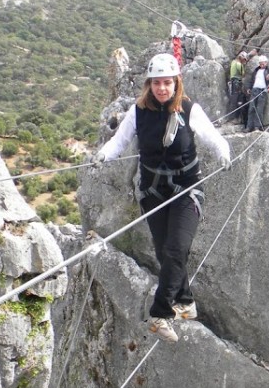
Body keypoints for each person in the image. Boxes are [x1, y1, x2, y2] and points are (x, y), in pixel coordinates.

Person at [92, 53, 231, 343]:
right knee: (163, 252)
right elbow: (120, 141)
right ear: (149, 85)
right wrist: (103, 155)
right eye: (157, 83)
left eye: (167, 83)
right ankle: (185, 302)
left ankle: (161, 313)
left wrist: (223, 152)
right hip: (153, 192)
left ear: (176, 83)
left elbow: (211, 136)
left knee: (176, 249)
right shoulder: (138, 111)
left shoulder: (189, 109)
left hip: (186, 190)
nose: (162, 88)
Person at [245, 55, 269, 132]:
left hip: (262, 91)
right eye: (260, 63)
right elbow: (251, 80)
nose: (261, 65)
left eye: (263, 63)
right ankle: (249, 127)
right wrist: (249, 88)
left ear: (266, 63)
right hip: (254, 90)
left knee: (259, 109)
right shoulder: (256, 70)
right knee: (251, 108)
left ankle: (257, 127)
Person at [227, 51, 246, 118]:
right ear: (241, 58)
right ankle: (236, 116)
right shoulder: (238, 64)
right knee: (238, 99)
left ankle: (232, 116)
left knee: (233, 98)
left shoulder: (233, 62)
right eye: (244, 60)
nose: (244, 61)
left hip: (232, 82)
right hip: (237, 82)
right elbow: (243, 73)